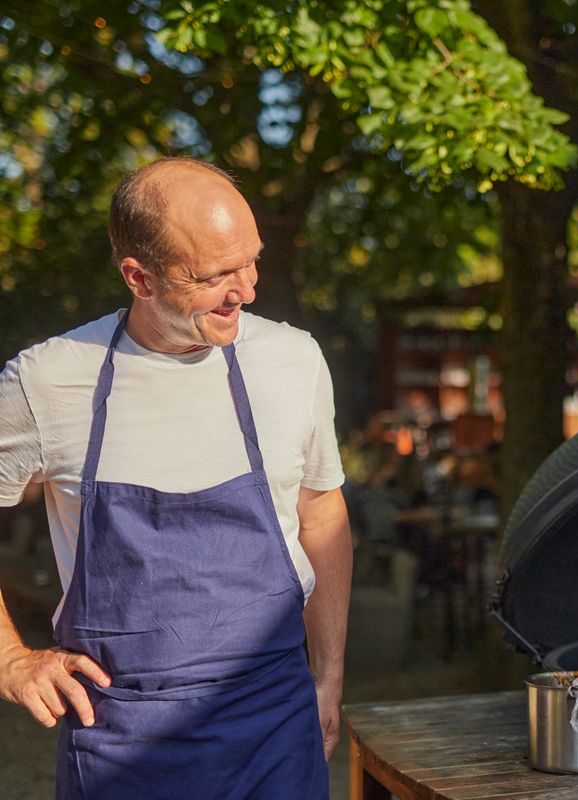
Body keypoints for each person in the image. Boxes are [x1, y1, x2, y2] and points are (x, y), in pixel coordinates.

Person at [0, 158, 352, 798]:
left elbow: (322, 511)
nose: (244, 289)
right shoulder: (47, 382)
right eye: (214, 274)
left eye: (251, 261)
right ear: (139, 277)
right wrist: (10, 659)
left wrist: (328, 679)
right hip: (122, 739)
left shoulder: (293, 361)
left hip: (275, 724)